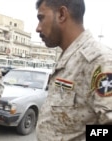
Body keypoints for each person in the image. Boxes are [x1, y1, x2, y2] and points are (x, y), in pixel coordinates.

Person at [35, 0, 112, 141]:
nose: (38, 28)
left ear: (62, 14)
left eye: (41, 18)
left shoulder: (99, 60)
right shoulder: (69, 56)